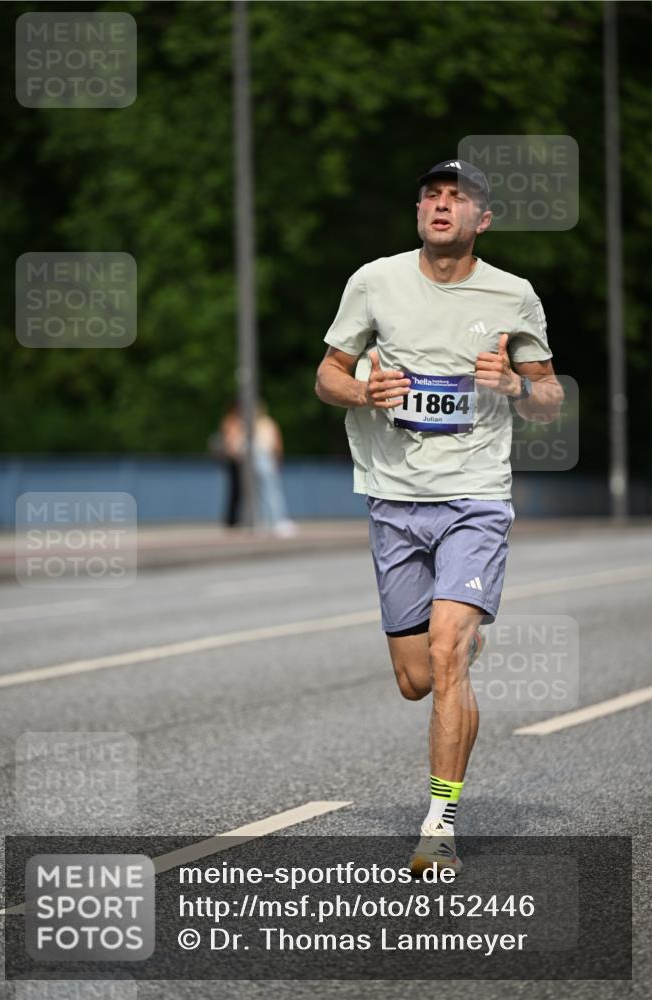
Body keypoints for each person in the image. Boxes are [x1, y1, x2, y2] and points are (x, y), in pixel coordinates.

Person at [315, 159, 563, 874]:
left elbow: (550, 399)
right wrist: (362, 392)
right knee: (415, 678)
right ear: (419, 211)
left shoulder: (513, 294)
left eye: (458, 197)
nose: (442, 204)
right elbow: (328, 375)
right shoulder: (374, 281)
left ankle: (439, 824)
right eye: (432, 194)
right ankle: (459, 642)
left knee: (447, 653)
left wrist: (515, 383)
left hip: (475, 495)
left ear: (482, 220)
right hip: (393, 496)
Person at [253, 404, 297, 537]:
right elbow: (277, 443)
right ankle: (278, 521)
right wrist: (278, 459)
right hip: (265, 457)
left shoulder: (253, 424)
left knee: (262, 492)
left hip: (258, 458)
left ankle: (266, 522)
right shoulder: (267, 424)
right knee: (272, 491)